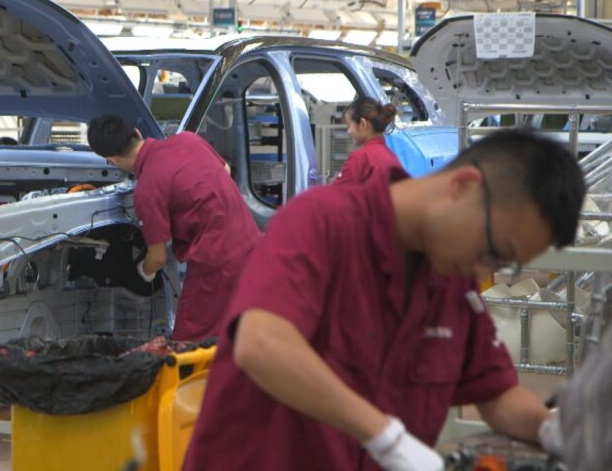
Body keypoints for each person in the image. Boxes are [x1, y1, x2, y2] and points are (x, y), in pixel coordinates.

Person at [184, 129, 585, 470]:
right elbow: (262, 344)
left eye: (505, 265)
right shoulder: (322, 222)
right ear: (463, 188)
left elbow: (495, 394)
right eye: (494, 252)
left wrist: (555, 432)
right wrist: (387, 437)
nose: (485, 272)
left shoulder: (451, 279)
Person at [86, 114, 260, 342]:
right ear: (137, 133)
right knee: (240, 336)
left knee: (188, 343)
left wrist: (140, 274)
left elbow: (157, 258)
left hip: (216, 266)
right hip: (254, 248)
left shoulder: (147, 189)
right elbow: (225, 171)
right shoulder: (189, 140)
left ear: (113, 160)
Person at [334, 96, 403, 185]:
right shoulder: (390, 155)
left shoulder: (360, 158)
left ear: (362, 123)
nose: (348, 132)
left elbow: (337, 193)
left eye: (349, 126)